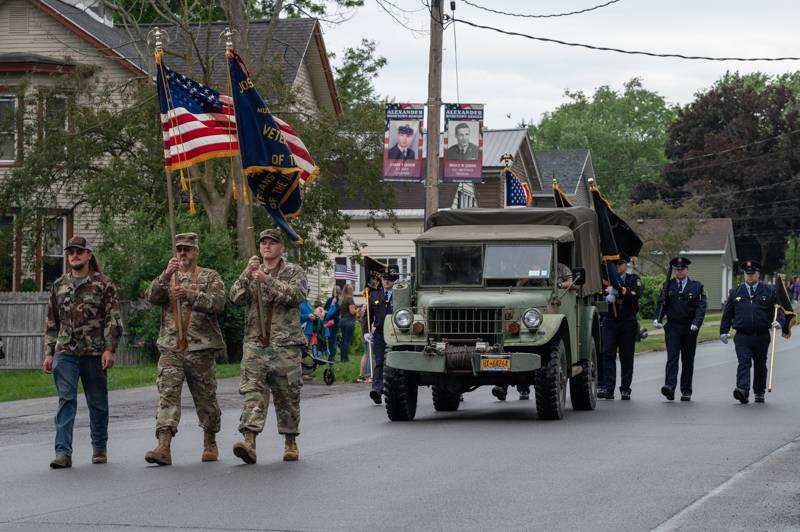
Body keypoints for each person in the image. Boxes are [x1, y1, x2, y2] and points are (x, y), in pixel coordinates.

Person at [143, 233, 225, 466]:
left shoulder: (210, 276)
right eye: (179, 249)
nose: (182, 253)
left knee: (206, 399)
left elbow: (218, 304)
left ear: (196, 251)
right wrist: (165, 275)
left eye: (187, 249)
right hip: (171, 347)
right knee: (167, 395)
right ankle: (163, 446)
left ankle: (210, 441)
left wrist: (190, 295)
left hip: (201, 348)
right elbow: (151, 297)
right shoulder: (169, 277)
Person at [229, 228, 308, 464]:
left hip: (285, 346)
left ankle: (290, 441)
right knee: (252, 393)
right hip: (255, 344)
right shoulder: (253, 272)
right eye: (263, 242)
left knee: (287, 396)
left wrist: (269, 281)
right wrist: (246, 274)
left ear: (281, 247)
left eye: (272, 243)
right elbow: (235, 297)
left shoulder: (294, 271)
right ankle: (249, 442)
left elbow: (297, 295)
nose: (267, 246)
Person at [43, 236, 122, 469]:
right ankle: (62, 453)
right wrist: (49, 353)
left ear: (89, 255)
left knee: (97, 402)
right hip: (65, 352)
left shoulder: (103, 284)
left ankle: (99, 448)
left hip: (94, 352)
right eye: (71, 252)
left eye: (79, 251)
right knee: (66, 400)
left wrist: (110, 349)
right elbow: (51, 322)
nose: (74, 255)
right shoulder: (59, 285)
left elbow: (113, 319)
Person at [719, 260, 784, 404]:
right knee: (744, 362)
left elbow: (779, 309)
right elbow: (728, 313)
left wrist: (780, 321)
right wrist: (723, 330)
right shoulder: (735, 291)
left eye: (752, 273)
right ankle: (742, 390)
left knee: (760, 364)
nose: (749, 276)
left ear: (758, 274)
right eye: (746, 273)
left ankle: (759, 391)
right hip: (742, 335)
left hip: (761, 335)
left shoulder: (769, 291)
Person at [653, 256, 707, 401]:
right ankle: (669, 387)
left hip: (690, 327)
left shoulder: (696, 286)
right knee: (672, 358)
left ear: (687, 270)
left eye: (682, 269)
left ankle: (686, 390)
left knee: (688, 359)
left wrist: (696, 322)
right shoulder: (667, 285)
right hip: (673, 326)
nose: (679, 272)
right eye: (677, 270)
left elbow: (701, 307)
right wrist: (657, 319)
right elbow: (661, 304)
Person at [600, 254, 642, 400]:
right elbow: (598, 296)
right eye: (615, 264)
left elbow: (635, 295)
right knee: (608, 355)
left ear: (626, 265)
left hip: (627, 322)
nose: (618, 267)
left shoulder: (633, 279)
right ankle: (609, 388)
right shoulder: (607, 280)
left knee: (626, 356)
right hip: (610, 321)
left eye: (620, 264)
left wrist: (619, 293)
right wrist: (606, 297)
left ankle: (625, 388)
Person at [367, 265, 399, 404]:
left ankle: (393, 389)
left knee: (394, 364)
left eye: (390, 279)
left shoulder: (400, 294)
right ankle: (377, 389)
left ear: (395, 280)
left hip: (396, 333)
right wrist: (365, 332)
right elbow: (367, 316)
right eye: (384, 279)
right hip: (379, 333)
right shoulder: (374, 295)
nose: (386, 281)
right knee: (379, 361)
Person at [338, 284, 358, 362]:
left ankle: (342, 358)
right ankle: (345, 359)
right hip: (349, 321)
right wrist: (358, 310)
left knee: (344, 340)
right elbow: (352, 311)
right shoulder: (350, 299)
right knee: (347, 341)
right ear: (350, 290)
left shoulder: (342, 299)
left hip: (342, 321)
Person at [324, 286, 341, 361]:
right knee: (332, 340)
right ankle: (331, 356)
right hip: (332, 323)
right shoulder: (335, 301)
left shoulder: (334, 300)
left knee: (331, 340)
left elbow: (325, 310)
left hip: (331, 323)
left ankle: (331, 356)